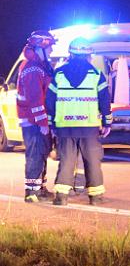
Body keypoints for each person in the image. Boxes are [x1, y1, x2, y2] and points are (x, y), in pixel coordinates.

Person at [46, 37, 112, 206]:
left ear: (70, 53)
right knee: (92, 161)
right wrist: (107, 122)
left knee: (66, 160)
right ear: (89, 55)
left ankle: (61, 196)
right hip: (89, 127)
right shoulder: (97, 75)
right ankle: (95, 197)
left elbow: (50, 101)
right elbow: (104, 101)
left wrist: (51, 122)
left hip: (65, 127)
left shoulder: (59, 74)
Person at [17, 30, 57, 202]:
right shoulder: (33, 68)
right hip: (33, 122)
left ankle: (39, 188)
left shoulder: (38, 66)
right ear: (41, 47)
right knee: (35, 154)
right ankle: (31, 193)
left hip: (38, 120)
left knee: (41, 153)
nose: (51, 52)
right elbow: (35, 99)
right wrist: (42, 122)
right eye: (49, 48)